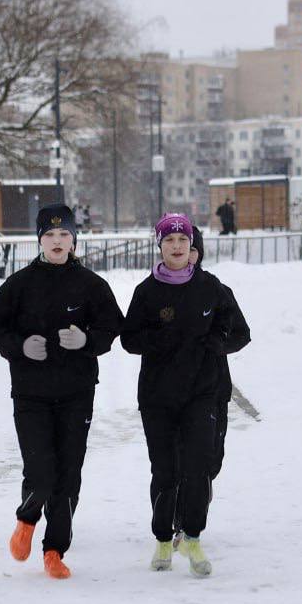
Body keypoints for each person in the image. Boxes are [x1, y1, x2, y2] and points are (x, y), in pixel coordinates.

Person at [0, 203, 124, 579]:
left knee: (69, 475)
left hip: (77, 393)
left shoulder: (92, 285)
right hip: (31, 394)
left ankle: (55, 550)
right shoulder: (19, 285)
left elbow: (113, 327)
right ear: (40, 241)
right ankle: (27, 520)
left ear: (74, 241)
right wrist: (20, 347)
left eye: (64, 235)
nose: (57, 241)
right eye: (50, 235)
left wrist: (87, 340)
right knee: (42, 472)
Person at [121, 214, 250, 577]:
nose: (176, 247)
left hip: (202, 393)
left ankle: (192, 537)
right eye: (169, 240)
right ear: (159, 246)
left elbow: (241, 332)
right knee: (165, 471)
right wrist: (156, 341)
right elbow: (129, 338)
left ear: (192, 246)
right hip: (158, 397)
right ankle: (164, 538)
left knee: (197, 469)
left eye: (183, 240)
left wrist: (217, 343)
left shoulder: (212, 288)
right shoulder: (146, 292)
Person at [189, 228, 250, 481]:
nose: (185, 253)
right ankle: (180, 509)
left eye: (192, 249)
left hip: (214, 387)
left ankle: (199, 496)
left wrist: (218, 345)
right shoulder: (155, 290)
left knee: (211, 459)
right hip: (172, 391)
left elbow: (241, 333)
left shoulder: (217, 290)